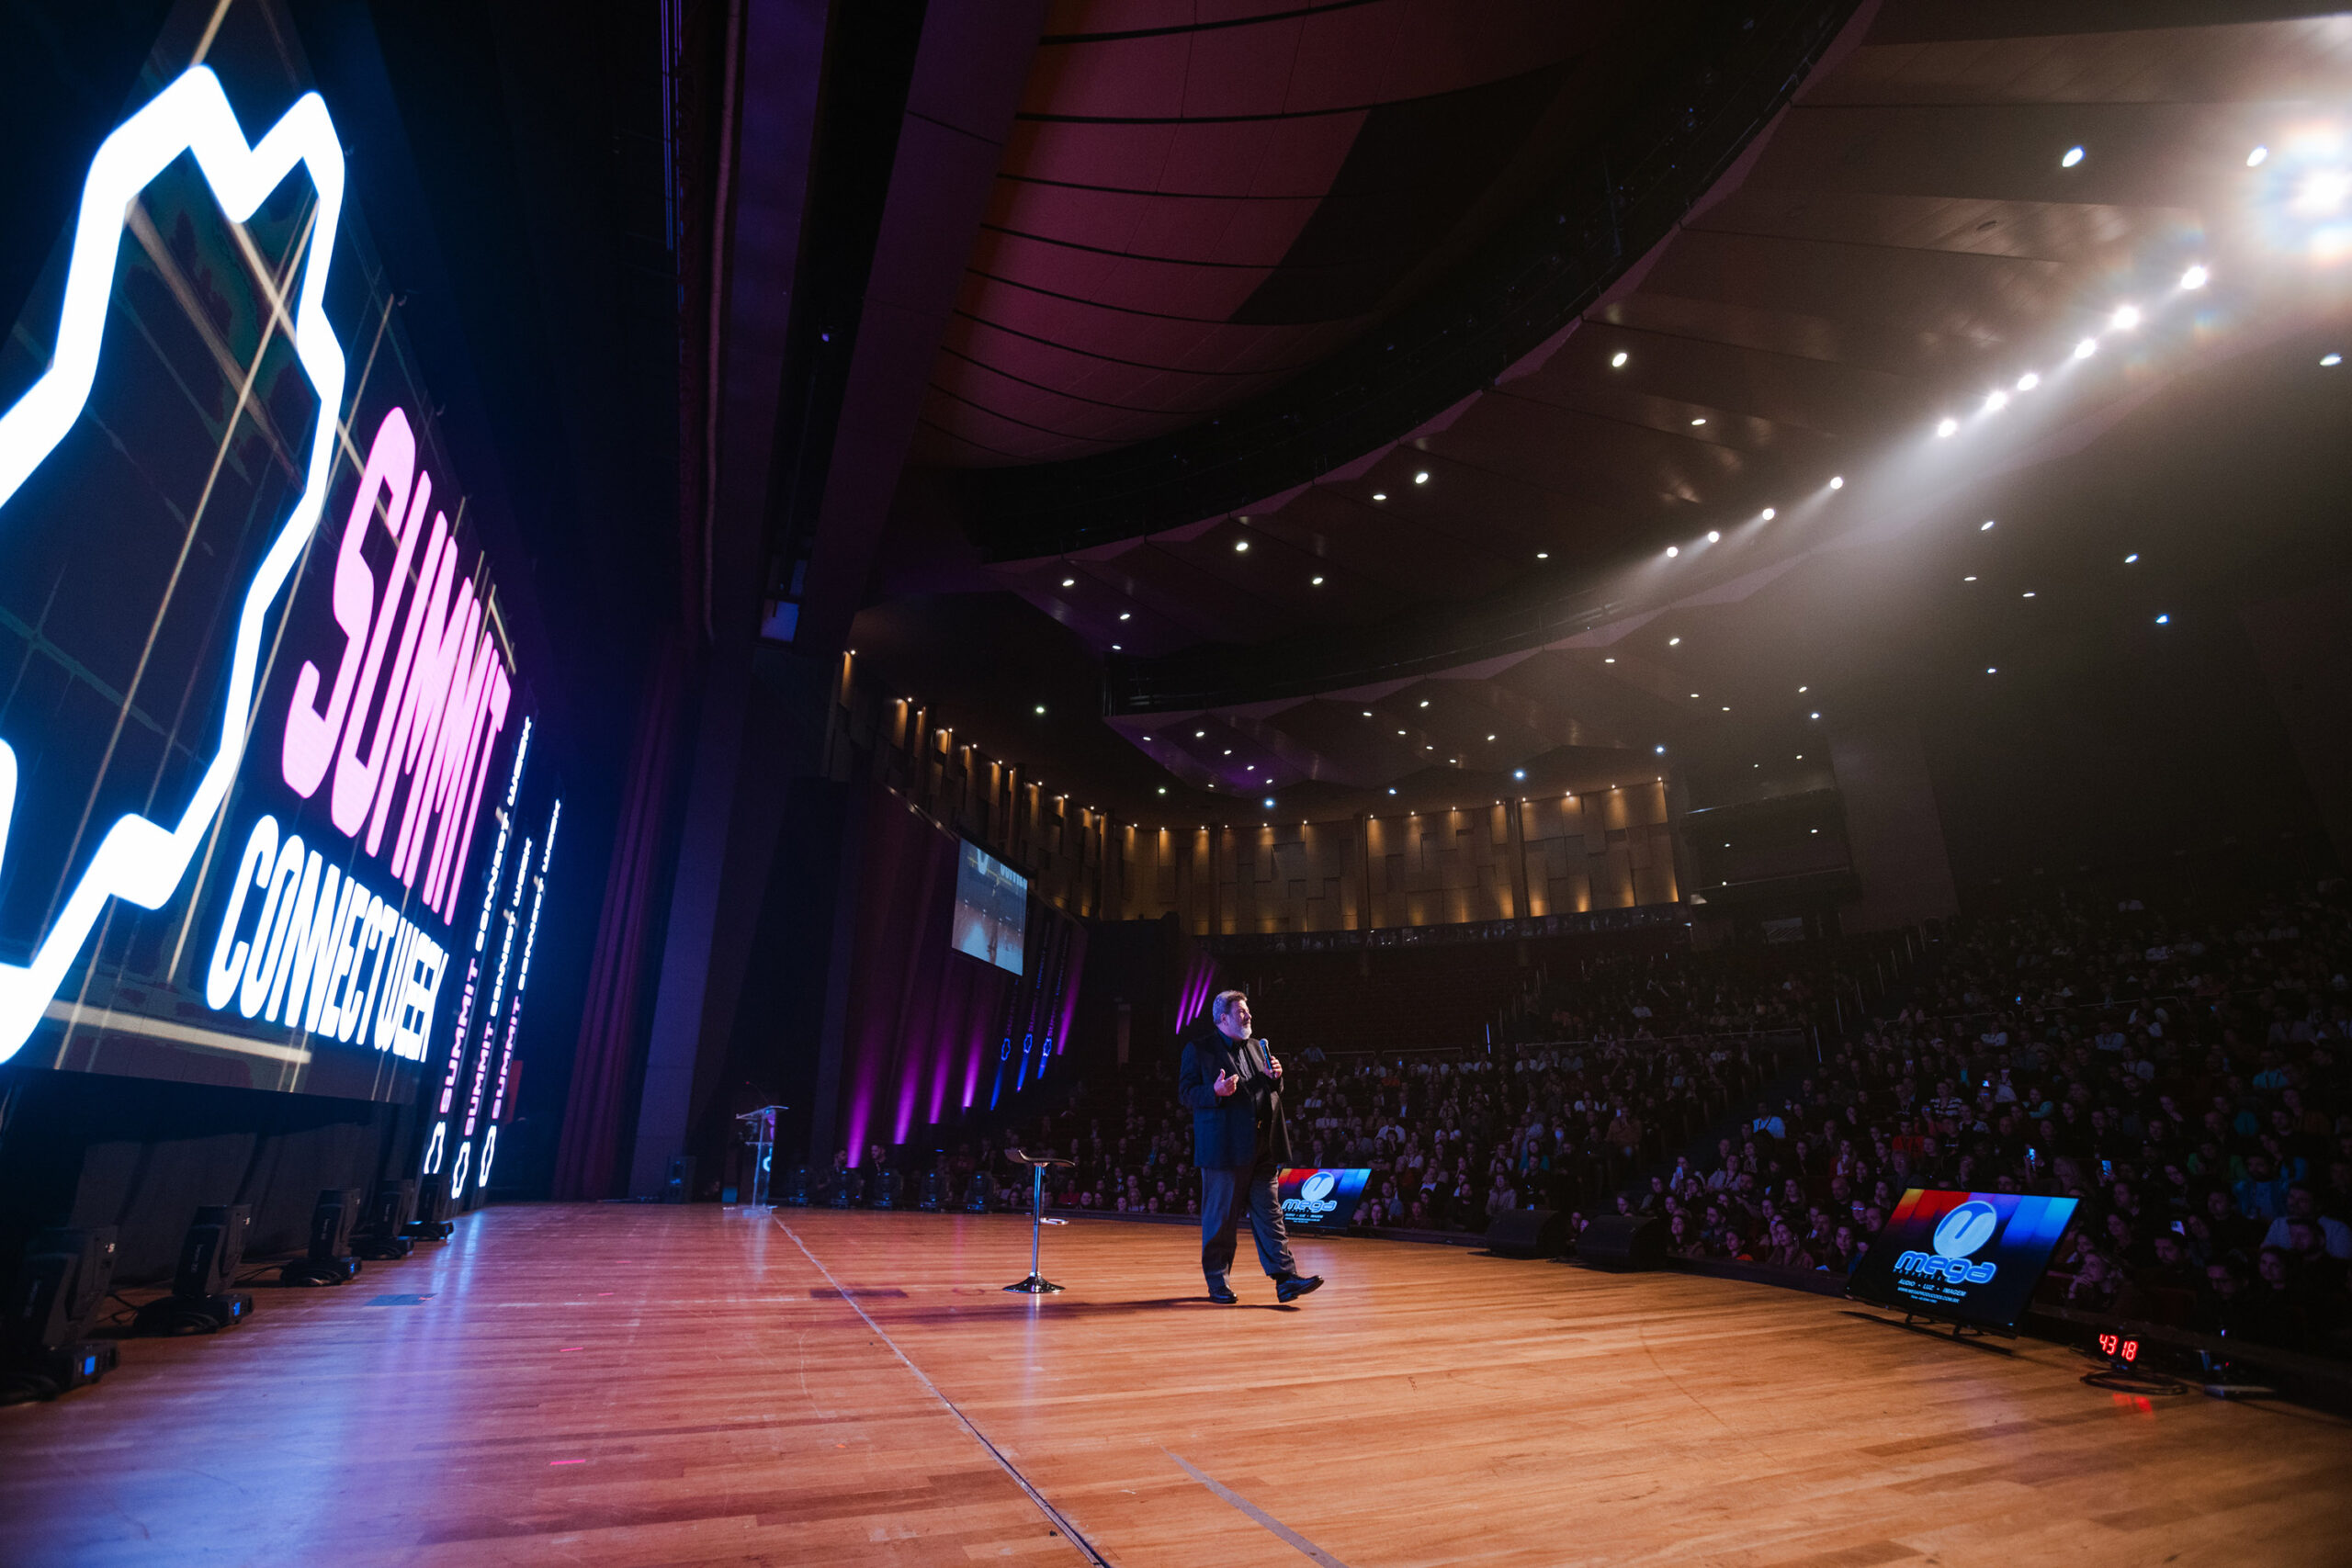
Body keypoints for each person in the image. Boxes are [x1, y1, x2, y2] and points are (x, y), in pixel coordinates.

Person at [1177, 990, 1325, 1305]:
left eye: (1248, 1012)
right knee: (1221, 1220)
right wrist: (1214, 1091)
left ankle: (1285, 1280)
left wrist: (1278, 1079)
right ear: (1222, 1018)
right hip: (1224, 1149)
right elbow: (1186, 1094)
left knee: (1270, 1215)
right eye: (1242, 1012)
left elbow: (1267, 1090)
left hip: (1261, 1146)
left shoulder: (1259, 1048)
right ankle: (1218, 1282)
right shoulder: (1199, 1049)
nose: (1249, 1017)